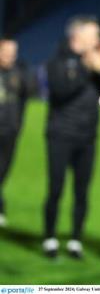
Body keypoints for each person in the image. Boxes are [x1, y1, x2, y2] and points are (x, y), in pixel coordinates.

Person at [42, 16, 100, 258]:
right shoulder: (58, 60)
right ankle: (50, 238)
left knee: (82, 192)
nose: (98, 39)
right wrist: (86, 67)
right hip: (60, 135)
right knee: (56, 189)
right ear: (78, 36)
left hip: (87, 137)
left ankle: (75, 240)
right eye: (94, 34)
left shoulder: (94, 63)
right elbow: (62, 91)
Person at [0, 37, 35, 227]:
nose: (9, 56)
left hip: (10, 129)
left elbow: (27, 95)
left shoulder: (19, 72)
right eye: (6, 52)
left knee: (4, 169)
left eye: (13, 52)